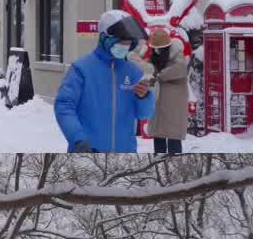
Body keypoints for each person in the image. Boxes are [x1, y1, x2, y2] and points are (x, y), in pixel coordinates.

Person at [54, 10, 155, 152]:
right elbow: (64, 106)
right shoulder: (81, 69)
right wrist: (78, 139)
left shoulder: (134, 71)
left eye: (128, 42)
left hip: (125, 151)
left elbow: (145, 114)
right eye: (121, 41)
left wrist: (144, 97)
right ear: (105, 38)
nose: (125, 46)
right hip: (87, 149)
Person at [144, 26, 188, 154]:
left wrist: (158, 75)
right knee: (158, 140)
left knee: (174, 142)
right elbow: (145, 68)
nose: (156, 51)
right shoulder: (155, 59)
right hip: (158, 105)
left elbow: (180, 69)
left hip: (173, 107)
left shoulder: (177, 57)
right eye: (154, 49)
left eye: (158, 49)